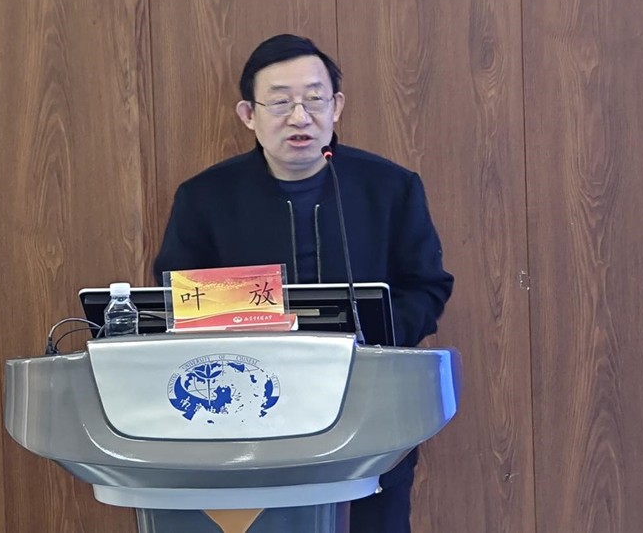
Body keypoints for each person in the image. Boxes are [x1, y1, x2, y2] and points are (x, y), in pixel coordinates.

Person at [153, 34, 453, 533]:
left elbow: (426, 285)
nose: (300, 116)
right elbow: (178, 301)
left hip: (370, 407)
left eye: (314, 99)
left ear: (336, 107)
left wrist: (378, 337)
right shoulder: (205, 198)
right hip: (247, 413)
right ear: (248, 114)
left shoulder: (390, 188)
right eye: (280, 102)